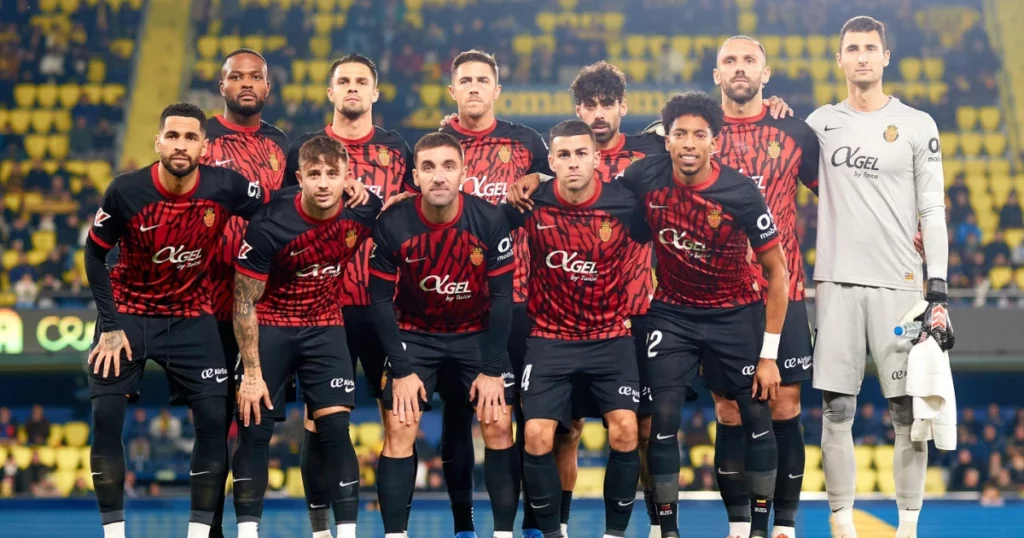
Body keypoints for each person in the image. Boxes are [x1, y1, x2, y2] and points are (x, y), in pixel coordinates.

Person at [83, 102, 270, 538]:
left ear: (204, 147)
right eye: (173, 136)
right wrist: (109, 326)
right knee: (106, 418)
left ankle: (198, 533)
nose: (180, 145)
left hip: (191, 316)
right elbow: (94, 255)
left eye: (190, 137)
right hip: (128, 316)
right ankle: (114, 533)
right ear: (158, 142)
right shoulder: (126, 190)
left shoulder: (224, 186)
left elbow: (271, 207)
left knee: (212, 422)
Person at [805, 16, 953, 538]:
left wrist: (938, 287)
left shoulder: (917, 124)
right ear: (839, 59)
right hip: (837, 284)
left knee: (907, 413)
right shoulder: (819, 124)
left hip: (901, 286)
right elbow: (775, 165)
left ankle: (907, 527)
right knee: (835, 410)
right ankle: (841, 524)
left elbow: (933, 210)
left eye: (871, 47)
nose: (862, 56)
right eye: (853, 48)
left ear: (886, 57)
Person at [619, 91, 790, 538]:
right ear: (667, 140)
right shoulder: (644, 176)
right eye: (680, 134)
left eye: (699, 135)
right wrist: (539, 174)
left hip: (736, 314)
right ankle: (669, 531)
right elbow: (591, 186)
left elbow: (778, 273)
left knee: (755, 418)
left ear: (716, 141)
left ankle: (757, 530)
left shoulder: (740, 193)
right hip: (673, 314)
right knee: (663, 419)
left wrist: (769, 355)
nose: (689, 143)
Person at [284, 53, 417, 538]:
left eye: (362, 82)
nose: (353, 89)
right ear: (330, 91)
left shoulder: (396, 149)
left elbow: (410, 211)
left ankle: (395, 531)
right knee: (320, 423)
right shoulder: (307, 148)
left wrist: (378, 201)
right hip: (325, 307)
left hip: (386, 304)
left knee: (398, 421)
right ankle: (324, 531)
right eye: (344, 81)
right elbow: (284, 215)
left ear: (376, 93)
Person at [503, 119, 648, 538]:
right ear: (551, 161)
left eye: (581, 154)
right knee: (535, 434)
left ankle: (614, 534)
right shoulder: (533, 201)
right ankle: (551, 533)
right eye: (563, 155)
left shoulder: (624, 203)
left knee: (625, 429)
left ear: (596, 159)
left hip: (611, 338)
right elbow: (481, 224)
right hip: (549, 339)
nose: (573, 163)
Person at [371, 132, 519, 538]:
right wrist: (401, 369)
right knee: (400, 425)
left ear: (463, 174)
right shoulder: (393, 223)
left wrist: (491, 368)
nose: (439, 176)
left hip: (476, 333)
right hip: (415, 335)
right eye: (429, 168)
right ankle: (395, 535)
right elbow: (380, 300)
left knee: (498, 423)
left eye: (448, 166)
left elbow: (503, 298)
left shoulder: (489, 220)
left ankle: (503, 534)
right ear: (415, 176)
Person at [231, 135, 378, 538]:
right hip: (273, 325)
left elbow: (398, 209)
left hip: (326, 325)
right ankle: (247, 533)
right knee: (254, 430)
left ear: (349, 177)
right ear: (300, 178)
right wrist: (252, 372)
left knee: (335, 431)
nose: (325, 183)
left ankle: (342, 533)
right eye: (315, 175)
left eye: (334, 174)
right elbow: (243, 302)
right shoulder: (269, 223)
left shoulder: (363, 212)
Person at [707, 36, 820, 538]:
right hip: (719, 296)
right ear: (716, 75)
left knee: (786, 406)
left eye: (748, 60)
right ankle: (737, 527)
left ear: (765, 73)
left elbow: (839, 195)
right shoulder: (693, 133)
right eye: (729, 61)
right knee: (729, 408)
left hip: (785, 289)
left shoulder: (795, 130)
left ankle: (785, 527)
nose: (739, 68)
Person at [197, 48, 289, 538]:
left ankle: (249, 528)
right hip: (207, 300)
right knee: (211, 423)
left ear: (268, 88)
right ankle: (207, 529)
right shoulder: (200, 137)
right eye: (237, 76)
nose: (247, 83)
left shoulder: (280, 145)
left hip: (262, 304)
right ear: (222, 85)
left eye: (256, 77)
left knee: (254, 424)